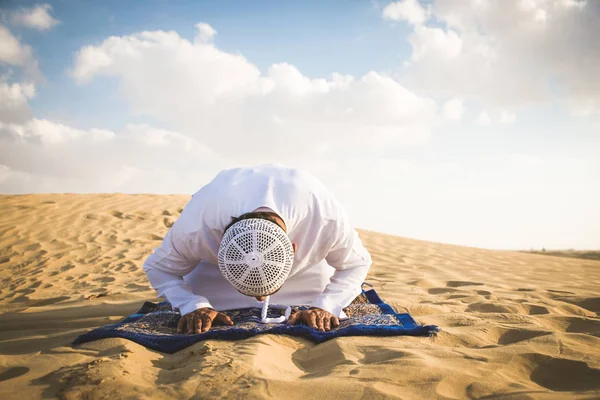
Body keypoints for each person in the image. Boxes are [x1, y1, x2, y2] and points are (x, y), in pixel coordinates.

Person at [143, 164, 372, 334]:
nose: (260, 298)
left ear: (293, 249)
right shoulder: (195, 230)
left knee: (323, 290)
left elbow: (357, 263)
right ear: (219, 246)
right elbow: (158, 268)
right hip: (216, 277)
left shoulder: (325, 219)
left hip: (305, 273)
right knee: (198, 292)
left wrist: (327, 305)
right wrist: (191, 305)